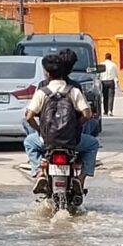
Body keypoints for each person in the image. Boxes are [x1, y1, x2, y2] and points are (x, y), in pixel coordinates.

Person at [22, 47, 99, 180]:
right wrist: (76, 125)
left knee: (29, 141)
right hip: (71, 140)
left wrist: (40, 129)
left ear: (47, 73)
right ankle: (81, 177)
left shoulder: (42, 89)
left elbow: (29, 117)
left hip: (47, 139)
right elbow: (87, 114)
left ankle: (39, 169)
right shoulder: (74, 89)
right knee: (93, 142)